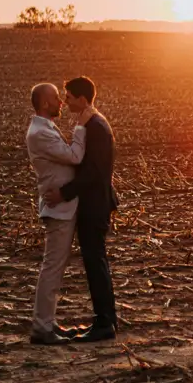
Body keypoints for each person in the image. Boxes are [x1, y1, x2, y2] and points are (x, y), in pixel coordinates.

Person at [45, 76, 119, 343]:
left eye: (69, 96)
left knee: (95, 262)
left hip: (95, 205)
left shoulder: (96, 126)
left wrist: (64, 193)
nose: (65, 101)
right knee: (95, 261)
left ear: (83, 99)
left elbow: (93, 173)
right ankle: (105, 321)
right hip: (94, 203)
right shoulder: (92, 123)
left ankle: (105, 324)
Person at [26, 82, 93, 345]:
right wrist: (81, 126)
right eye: (56, 98)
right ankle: (42, 328)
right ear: (45, 104)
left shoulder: (45, 128)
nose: (61, 102)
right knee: (52, 268)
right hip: (59, 208)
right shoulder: (40, 133)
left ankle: (48, 323)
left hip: (61, 206)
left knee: (54, 267)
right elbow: (75, 156)